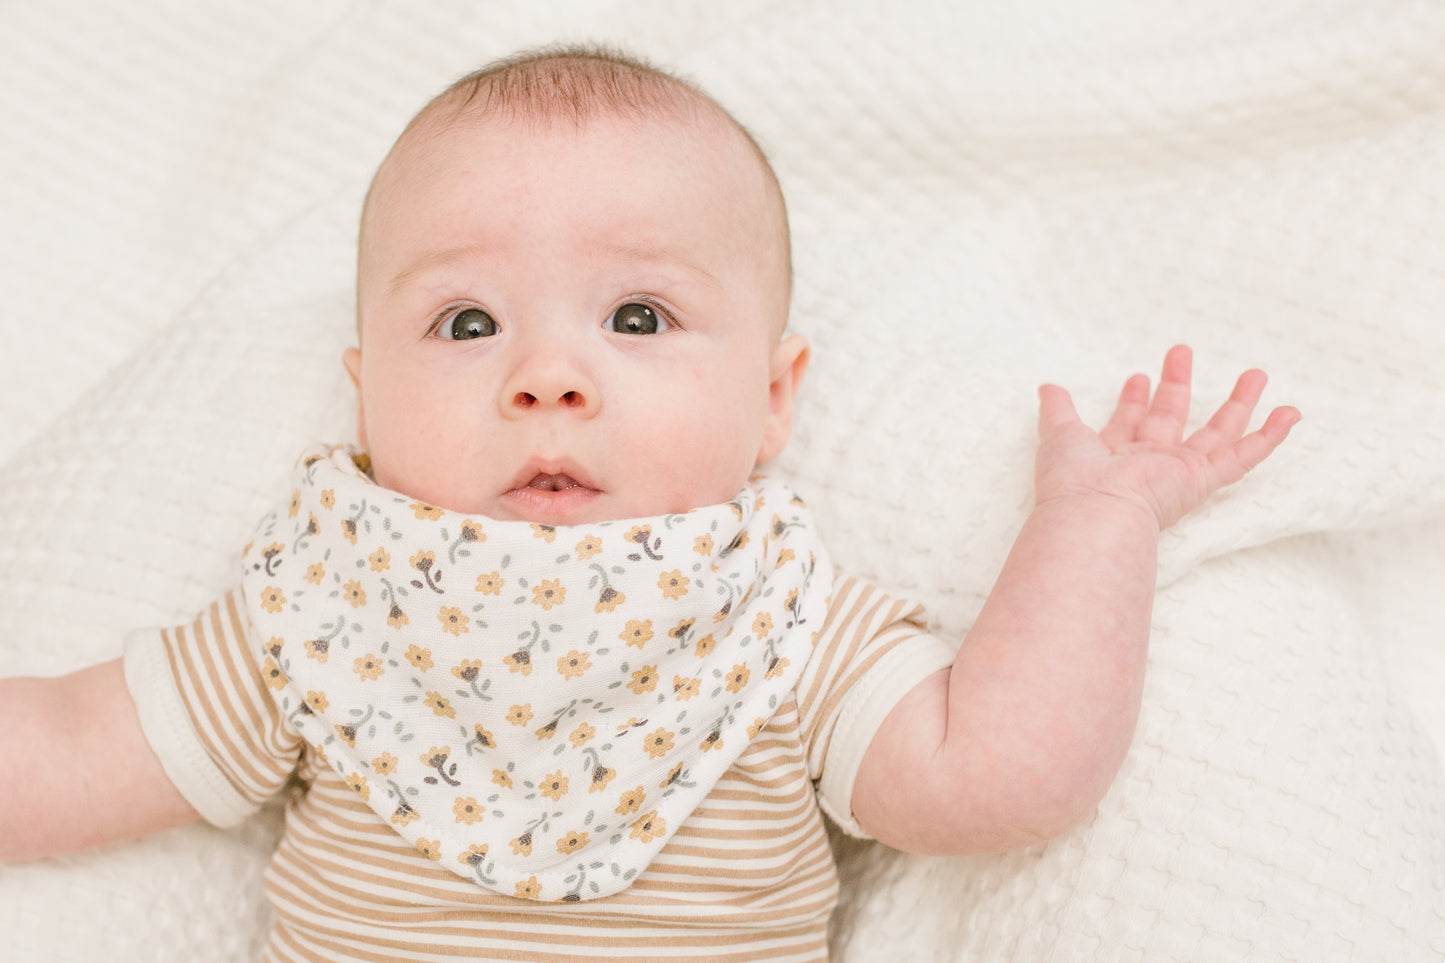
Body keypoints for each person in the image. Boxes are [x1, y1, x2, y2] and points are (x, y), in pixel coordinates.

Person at [0, 45, 1299, 962]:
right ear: (362, 394)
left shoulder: (781, 623)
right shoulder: (322, 605)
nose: (547, 377)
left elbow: (999, 776)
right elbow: (60, 755)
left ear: (772, 398)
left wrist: (1096, 520)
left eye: (638, 316)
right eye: (464, 322)